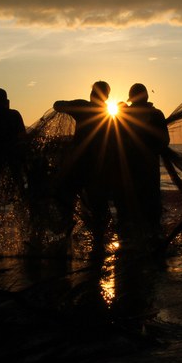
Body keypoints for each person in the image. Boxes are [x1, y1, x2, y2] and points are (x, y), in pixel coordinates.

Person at [53, 81, 115, 253]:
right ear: (106, 96)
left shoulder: (83, 107)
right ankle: (98, 243)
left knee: (65, 194)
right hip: (97, 165)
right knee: (98, 205)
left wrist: (69, 105)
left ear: (93, 94)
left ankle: (67, 231)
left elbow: (57, 106)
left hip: (80, 163)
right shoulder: (108, 114)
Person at [119, 83, 169, 248]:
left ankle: (135, 244)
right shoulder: (155, 114)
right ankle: (148, 242)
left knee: (136, 206)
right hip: (140, 167)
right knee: (147, 205)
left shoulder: (128, 114)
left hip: (136, 168)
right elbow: (164, 141)